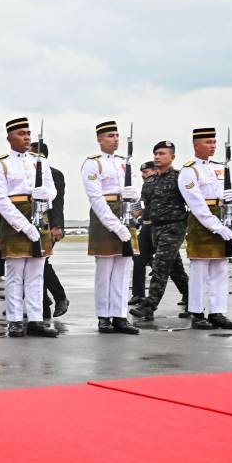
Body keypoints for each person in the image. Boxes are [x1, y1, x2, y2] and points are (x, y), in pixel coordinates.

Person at [0, 118, 59, 337]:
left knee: (36, 274)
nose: (27, 137)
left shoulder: (40, 161)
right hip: (15, 219)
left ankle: (36, 319)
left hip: (39, 214)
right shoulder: (1, 163)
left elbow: (53, 189)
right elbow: (0, 198)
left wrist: (46, 194)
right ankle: (15, 320)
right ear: (9, 137)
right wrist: (23, 225)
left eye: (28, 133)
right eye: (21, 133)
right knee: (15, 274)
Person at [79, 121, 140, 334]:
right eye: (110, 136)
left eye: (117, 135)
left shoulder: (125, 162)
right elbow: (96, 198)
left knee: (123, 270)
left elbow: (136, 191)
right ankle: (104, 317)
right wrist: (114, 225)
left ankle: (120, 315)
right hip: (104, 216)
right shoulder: (93, 163)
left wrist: (136, 203)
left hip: (126, 212)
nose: (115, 139)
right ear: (99, 139)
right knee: (104, 272)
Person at [178, 127, 232, 329]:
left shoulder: (220, 168)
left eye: (214, 142)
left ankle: (217, 312)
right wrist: (215, 226)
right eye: (208, 142)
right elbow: (196, 203)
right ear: (196, 145)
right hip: (201, 223)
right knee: (200, 271)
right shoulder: (189, 170)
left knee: (220, 270)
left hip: (222, 217)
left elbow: (226, 195)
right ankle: (197, 312)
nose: (212, 146)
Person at [130, 141, 190, 322]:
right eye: (155, 154)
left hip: (174, 227)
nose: (157, 157)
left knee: (160, 266)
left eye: (162, 153)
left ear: (172, 157)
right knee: (175, 268)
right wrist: (131, 208)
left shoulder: (180, 178)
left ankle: (149, 305)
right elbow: (141, 207)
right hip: (155, 228)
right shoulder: (150, 182)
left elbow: (193, 201)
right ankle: (191, 296)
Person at [34, 142, 68, 320]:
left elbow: (58, 202)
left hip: (47, 225)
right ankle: (42, 303)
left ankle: (60, 297)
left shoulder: (54, 174)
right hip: (30, 224)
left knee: (41, 262)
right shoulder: (28, 173)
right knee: (33, 264)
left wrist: (57, 226)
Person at [130, 161, 158, 304]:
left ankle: (187, 294)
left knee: (172, 267)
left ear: (155, 170)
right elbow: (140, 206)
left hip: (160, 228)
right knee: (138, 259)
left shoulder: (162, 183)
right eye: (142, 172)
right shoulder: (145, 186)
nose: (143, 175)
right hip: (146, 227)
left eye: (146, 172)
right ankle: (138, 294)